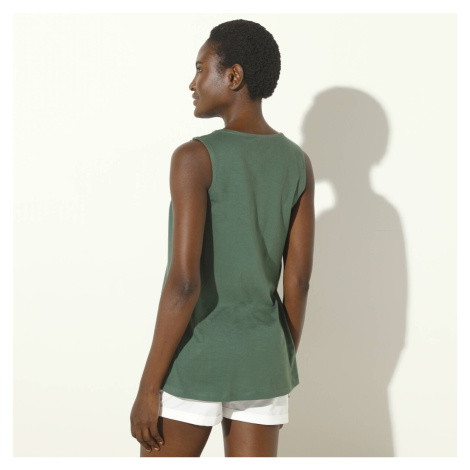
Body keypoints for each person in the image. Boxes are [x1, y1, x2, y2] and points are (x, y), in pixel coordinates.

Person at [130, 19, 315, 457]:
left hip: (198, 358)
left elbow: (184, 283)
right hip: (263, 362)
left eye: (200, 69)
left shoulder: (194, 158)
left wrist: (148, 388)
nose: (192, 83)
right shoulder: (297, 162)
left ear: (234, 76)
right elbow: (298, 281)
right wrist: (277, 359)